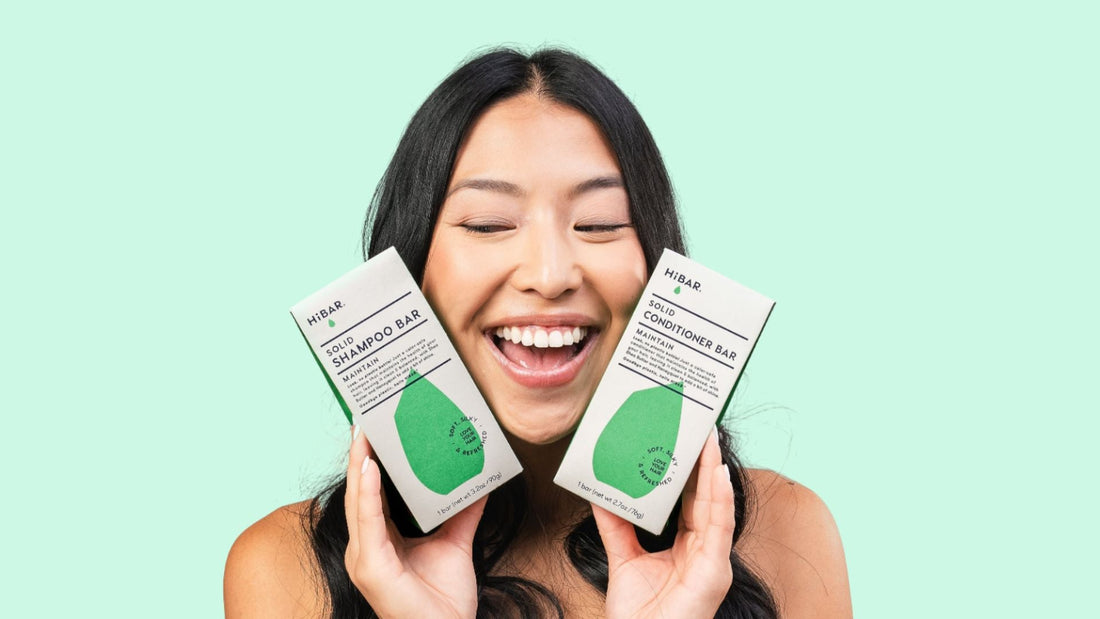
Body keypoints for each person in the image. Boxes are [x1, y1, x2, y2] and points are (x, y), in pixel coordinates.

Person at [225, 48, 851, 618]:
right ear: (411, 272)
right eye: (490, 224)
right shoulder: (281, 572)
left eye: (601, 224)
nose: (550, 275)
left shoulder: (787, 536)